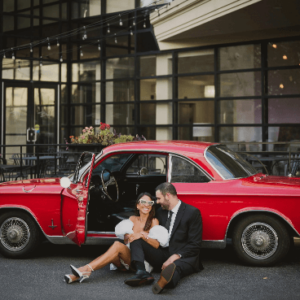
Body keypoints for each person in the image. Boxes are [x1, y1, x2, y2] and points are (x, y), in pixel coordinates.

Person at [64, 192, 169, 284]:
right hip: (128, 255)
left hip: (141, 261)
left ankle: (85, 269)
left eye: (150, 203)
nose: (147, 205)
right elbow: (127, 241)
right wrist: (127, 236)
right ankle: (79, 274)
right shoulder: (132, 219)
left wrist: (141, 235)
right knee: (114, 249)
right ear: (137, 205)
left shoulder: (154, 221)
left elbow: (156, 245)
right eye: (143, 202)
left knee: (116, 246)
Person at [124, 182, 203, 294]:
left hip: (183, 256)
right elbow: (151, 228)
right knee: (137, 239)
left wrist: (175, 256)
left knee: (175, 267)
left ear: (168, 196)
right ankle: (142, 272)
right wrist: (139, 234)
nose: (157, 202)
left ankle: (164, 282)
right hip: (163, 253)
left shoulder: (192, 212)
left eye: (159, 198)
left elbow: (195, 244)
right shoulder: (160, 211)